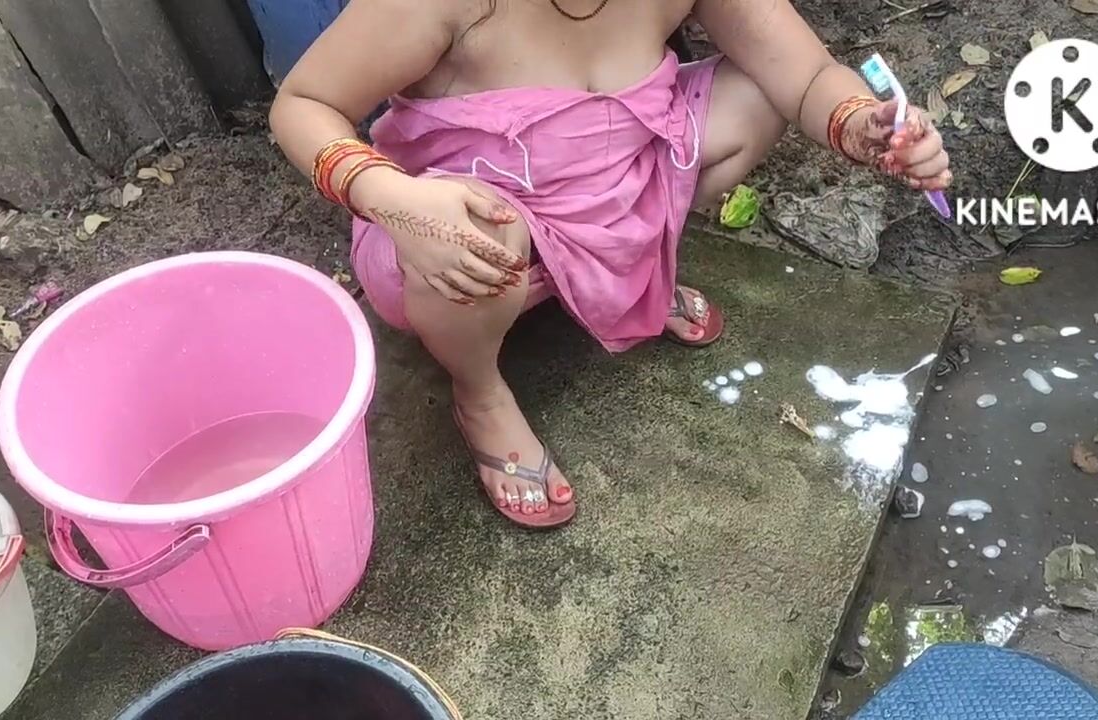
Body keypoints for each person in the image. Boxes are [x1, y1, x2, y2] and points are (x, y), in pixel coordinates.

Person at [270, 0, 952, 530]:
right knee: (481, 231)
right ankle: (479, 391)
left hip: (622, 181)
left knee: (759, 90)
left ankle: (637, 271)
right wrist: (392, 199)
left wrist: (860, 123)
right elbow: (304, 104)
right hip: (462, 237)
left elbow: (803, 76)